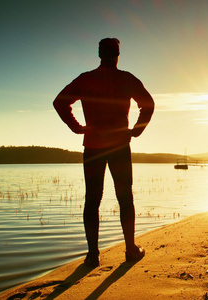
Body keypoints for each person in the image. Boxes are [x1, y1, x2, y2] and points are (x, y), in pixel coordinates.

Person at [53, 38, 154, 267]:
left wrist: (77, 127)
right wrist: (136, 132)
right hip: (119, 145)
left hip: (93, 147)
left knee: (92, 200)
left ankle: (92, 256)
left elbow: (60, 102)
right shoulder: (126, 79)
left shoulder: (85, 79)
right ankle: (130, 250)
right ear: (118, 55)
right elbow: (148, 104)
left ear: (99, 54)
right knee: (125, 197)